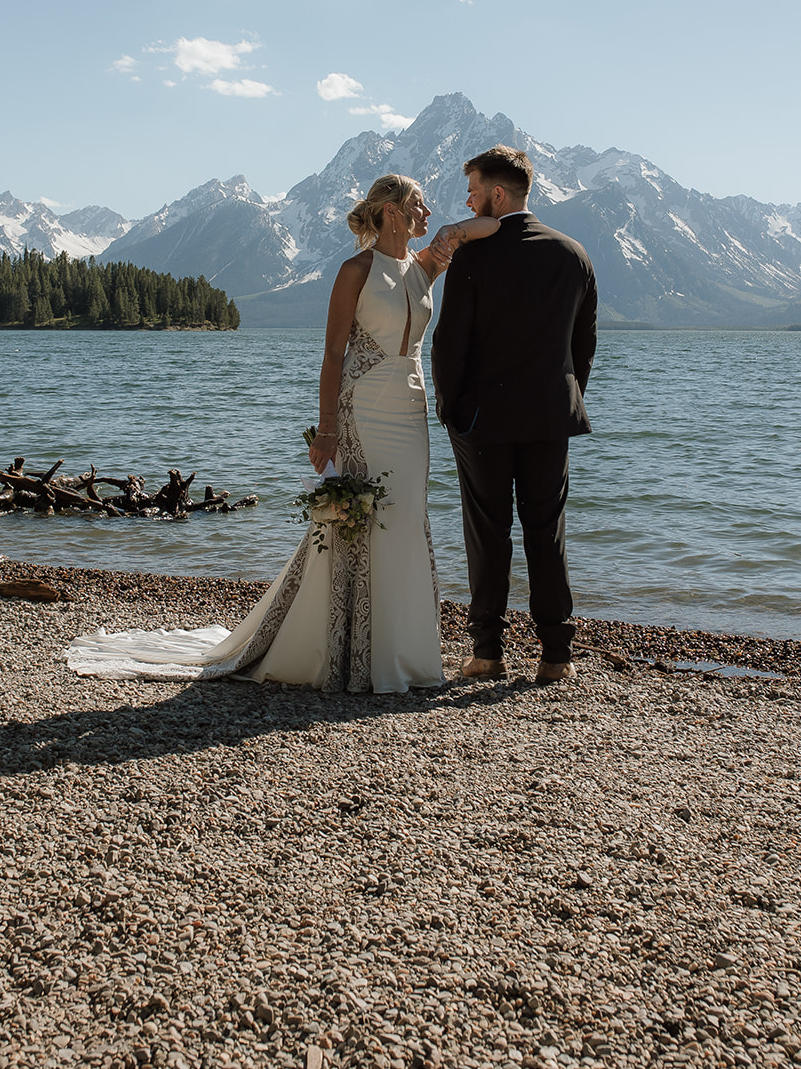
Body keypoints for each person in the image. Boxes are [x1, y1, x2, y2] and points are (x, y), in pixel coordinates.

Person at [67, 175, 498, 694]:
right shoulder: (355, 270)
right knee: (364, 519)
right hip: (362, 409)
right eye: (417, 205)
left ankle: (404, 651)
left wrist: (451, 227)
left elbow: (495, 223)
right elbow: (334, 353)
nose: (426, 213)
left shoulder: (425, 265)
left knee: (407, 517)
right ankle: (351, 652)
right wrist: (328, 431)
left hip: (410, 407)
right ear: (389, 212)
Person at [430, 145, 597, 684]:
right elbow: (583, 345)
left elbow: (450, 341)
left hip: (484, 418)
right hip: (551, 415)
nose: (468, 199)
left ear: (498, 195)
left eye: (474, 191)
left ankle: (487, 653)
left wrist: (450, 409)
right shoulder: (574, 254)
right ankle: (556, 656)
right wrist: (562, 396)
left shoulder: (475, 257)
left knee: (488, 532)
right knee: (547, 531)